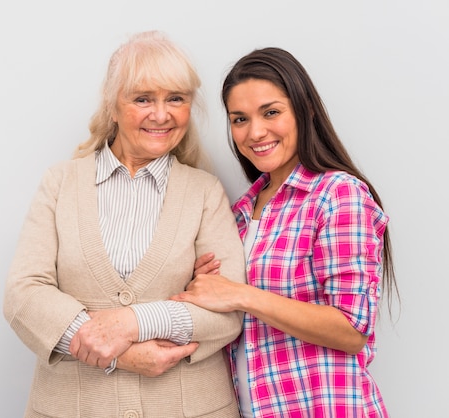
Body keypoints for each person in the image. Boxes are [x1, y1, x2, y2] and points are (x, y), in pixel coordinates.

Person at [3, 30, 246, 418]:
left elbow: (228, 311)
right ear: (112, 107)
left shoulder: (205, 192)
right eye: (143, 99)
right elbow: (24, 294)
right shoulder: (60, 183)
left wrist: (133, 322)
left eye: (176, 99)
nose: (161, 114)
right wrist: (120, 354)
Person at [171, 47, 399, 418]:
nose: (255, 132)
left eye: (271, 112)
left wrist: (240, 295)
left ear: (305, 110)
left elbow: (350, 329)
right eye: (239, 119)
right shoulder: (240, 212)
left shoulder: (337, 195)